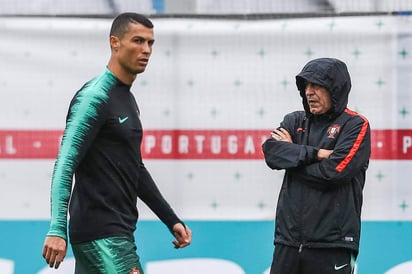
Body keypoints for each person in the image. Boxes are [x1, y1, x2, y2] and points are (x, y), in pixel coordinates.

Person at [42, 12, 192, 273]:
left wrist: (170, 219)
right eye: (137, 41)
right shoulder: (94, 96)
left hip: (114, 231)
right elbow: (65, 164)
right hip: (102, 235)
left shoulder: (127, 99)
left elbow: (135, 169)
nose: (146, 50)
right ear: (115, 43)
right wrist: (57, 228)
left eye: (150, 43)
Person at [262, 57, 371, 274]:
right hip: (288, 242)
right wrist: (318, 154)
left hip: (332, 244)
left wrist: (293, 159)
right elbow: (272, 153)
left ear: (336, 89)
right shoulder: (294, 120)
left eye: (317, 85)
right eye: (306, 86)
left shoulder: (356, 125)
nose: (309, 92)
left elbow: (333, 173)